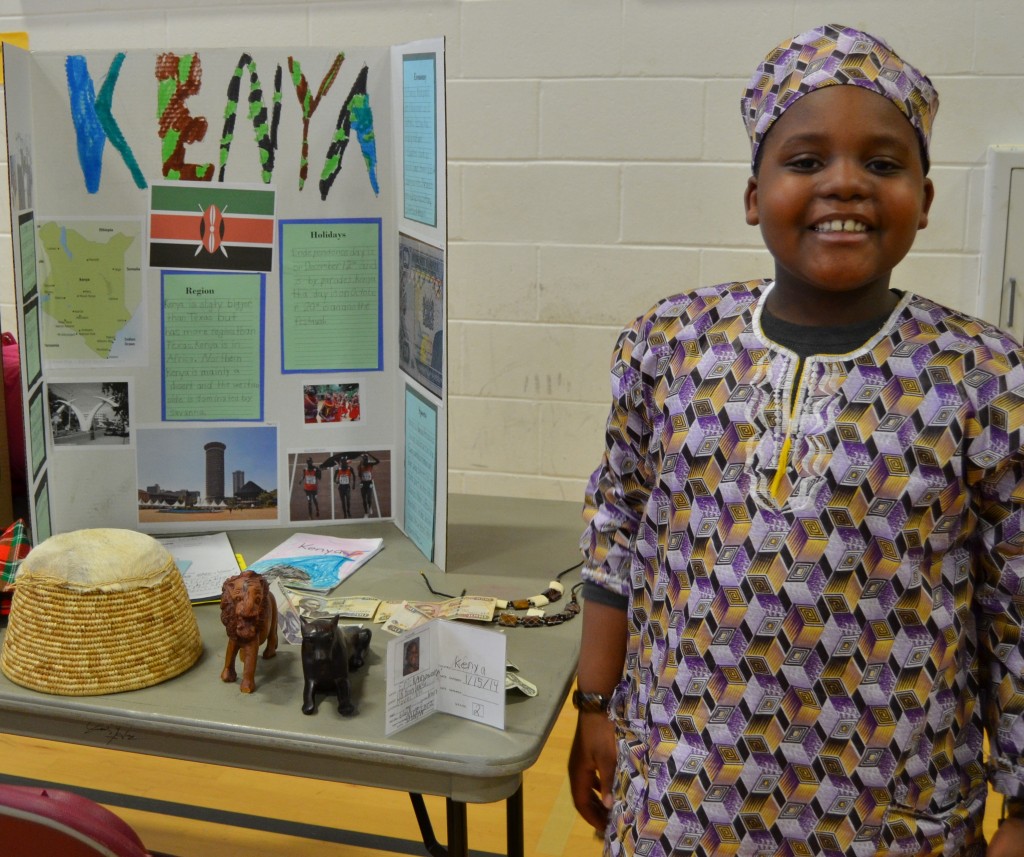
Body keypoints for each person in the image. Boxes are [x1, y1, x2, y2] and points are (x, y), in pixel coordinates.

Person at [569, 24, 1024, 857]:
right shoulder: (670, 345)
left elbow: (1016, 605)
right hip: (682, 801)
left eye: (882, 163)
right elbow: (616, 530)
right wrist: (593, 703)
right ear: (755, 194)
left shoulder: (984, 379)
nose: (844, 182)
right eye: (806, 160)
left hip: (889, 817)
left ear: (924, 199)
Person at [358, 452, 380, 518]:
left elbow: (378, 461)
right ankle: (365, 512)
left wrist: (370, 455)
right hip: (362, 483)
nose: (365, 460)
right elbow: (359, 475)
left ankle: (370, 507)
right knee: (364, 499)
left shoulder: (370, 464)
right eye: (364, 459)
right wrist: (360, 469)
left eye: (366, 459)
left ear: (367, 459)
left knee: (369, 498)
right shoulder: (360, 465)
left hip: (370, 483)